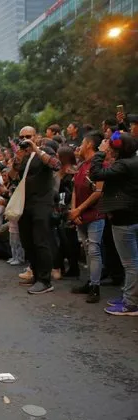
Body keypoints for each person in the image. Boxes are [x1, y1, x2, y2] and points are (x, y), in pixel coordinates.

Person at [89, 132, 138, 316]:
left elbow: (96, 174)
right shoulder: (132, 161)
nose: (109, 149)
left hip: (124, 220)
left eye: (112, 147)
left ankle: (131, 304)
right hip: (131, 217)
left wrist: (99, 153)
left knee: (131, 264)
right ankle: (129, 297)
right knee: (132, 262)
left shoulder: (124, 165)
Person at [12, 126, 61, 295]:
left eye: (28, 136)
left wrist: (35, 149)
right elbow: (11, 176)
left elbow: (56, 165)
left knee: (41, 241)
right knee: (27, 242)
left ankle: (45, 280)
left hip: (42, 203)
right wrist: (17, 159)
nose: (25, 139)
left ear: (36, 136)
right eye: (22, 137)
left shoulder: (44, 150)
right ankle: (35, 273)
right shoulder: (22, 155)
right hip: (26, 204)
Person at [69, 131, 106, 303]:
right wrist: (73, 210)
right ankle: (90, 281)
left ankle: (95, 287)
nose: (80, 146)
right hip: (81, 215)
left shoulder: (100, 165)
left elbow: (98, 192)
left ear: (90, 145)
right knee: (86, 249)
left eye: (83, 142)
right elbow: (76, 189)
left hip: (95, 214)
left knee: (93, 249)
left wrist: (79, 210)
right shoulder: (82, 164)